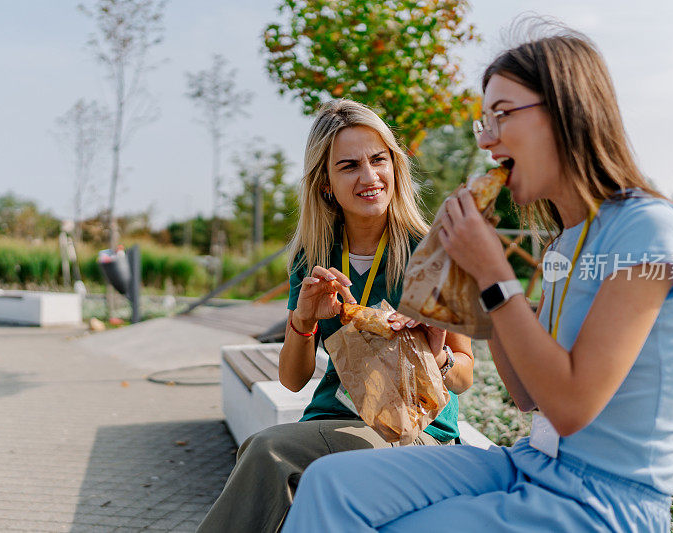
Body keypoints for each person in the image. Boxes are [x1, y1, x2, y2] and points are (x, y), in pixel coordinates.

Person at [281, 23, 673, 533]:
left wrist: (494, 274)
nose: (486, 138)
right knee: (331, 484)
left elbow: (569, 408)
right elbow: (527, 394)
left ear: (566, 114)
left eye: (501, 116)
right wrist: (461, 303)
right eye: (484, 121)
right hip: (530, 463)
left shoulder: (647, 230)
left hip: (607, 497)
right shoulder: (568, 241)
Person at [197, 99, 474, 533]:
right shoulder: (313, 257)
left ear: (395, 165)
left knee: (268, 452)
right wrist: (303, 320)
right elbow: (292, 380)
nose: (369, 177)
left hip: (411, 430)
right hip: (332, 419)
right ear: (326, 182)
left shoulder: (434, 252)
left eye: (378, 159)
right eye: (349, 166)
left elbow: (465, 376)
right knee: (261, 449)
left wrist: (438, 354)